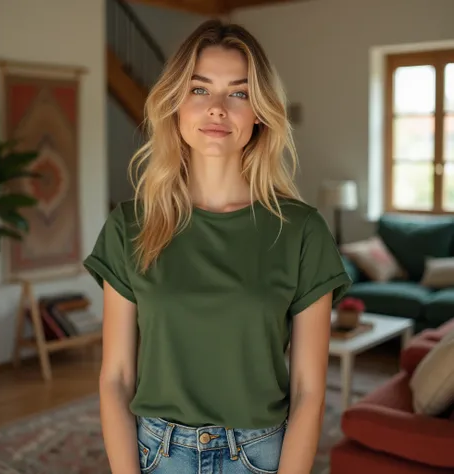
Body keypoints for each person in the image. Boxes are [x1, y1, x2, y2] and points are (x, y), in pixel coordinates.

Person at [83, 19, 352, 474]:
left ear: (260, 113)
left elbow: (308, 390)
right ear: (175, 104)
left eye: (240, 93)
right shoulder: (130, 226)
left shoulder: (302, 231)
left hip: (260, 456)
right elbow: (116, 378)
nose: (218, 109)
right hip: (157, 454)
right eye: (200, 90)